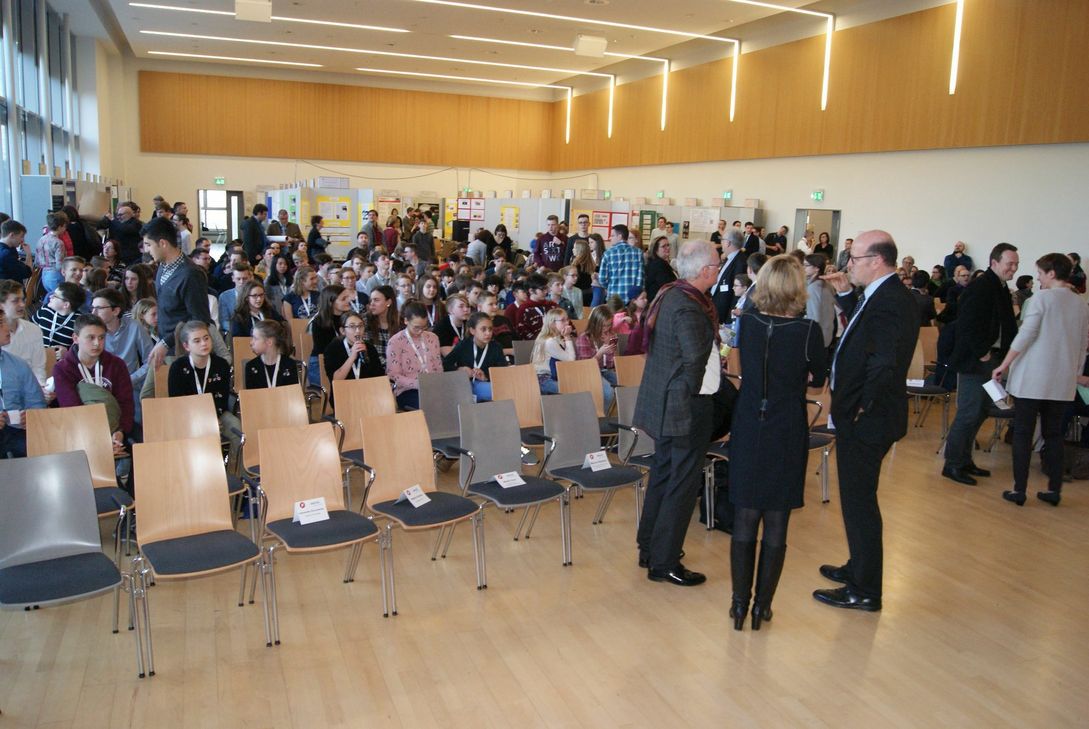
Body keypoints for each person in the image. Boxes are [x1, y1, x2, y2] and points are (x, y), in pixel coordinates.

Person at [813, 230, 919, 612]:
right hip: (865, 415)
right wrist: (844, 295)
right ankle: (858, 566)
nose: (847, 266)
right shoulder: (878, 295)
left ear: (877, 261)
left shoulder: (890, 300)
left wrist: (859, 407)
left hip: (869, 419)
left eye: (854, 259)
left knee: (859, 503)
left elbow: (885, 363)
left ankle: (865, 589)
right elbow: (862, 339)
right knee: (856, 499)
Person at [729, 255, 827, 630]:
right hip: (786, 425)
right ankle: (761, 607)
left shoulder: (748, 324)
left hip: (748, 422)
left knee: (745, 513)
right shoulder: (807, 331)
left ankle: (739, 604)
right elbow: (818, 381)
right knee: (777, 519)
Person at [632, 239, 722, 587]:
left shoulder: (670, 294)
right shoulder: (688, 305)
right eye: (716, 264)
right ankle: (665, 561)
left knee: (664, 475)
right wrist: (702, 392)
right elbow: (694, 359)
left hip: (667, 403)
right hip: (684, 406)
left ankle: (649, 547)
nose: (719, 267)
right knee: (682, 485)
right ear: (704, 271)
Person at [990, 253, 1089, 506]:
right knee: (1053, 435)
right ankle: (1053, 491)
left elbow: (1026, 336)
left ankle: (1019, 490)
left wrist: (1004, 364)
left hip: (1032, 379)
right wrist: (1074, 372)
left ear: (1052, 273)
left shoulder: (1041, 299)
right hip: (1062, 381)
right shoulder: (1081, 304)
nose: (1038, 278)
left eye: (1041, 273)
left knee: (1023, 434)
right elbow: (1082, 345)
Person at [941, 243, 1019, 486]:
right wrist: (983, 352)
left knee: (982, 410)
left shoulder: (1000, 286)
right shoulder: (982, 286)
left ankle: (964, 460)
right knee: (969, 412)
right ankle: (952, 463)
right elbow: (967, 323)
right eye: (1010, 264)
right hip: (975, 360)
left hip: (989, 359)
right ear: (994, 262)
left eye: (1016, 264)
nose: (1014, 268)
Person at [53, 315, 136, 449]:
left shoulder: (117, 365)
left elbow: (126, 403)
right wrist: (99, 440)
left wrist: (120, 432)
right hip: (81, 433)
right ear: (75, 338)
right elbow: (72, 408)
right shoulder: (62, 369)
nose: (97, 343)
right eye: (90, 337)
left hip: (115, 429)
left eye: (102, 337)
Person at [144, 216, 212, 370]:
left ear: (163, 243)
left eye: (149, 244)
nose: (147, 250)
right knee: (148, 393)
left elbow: (200, 319)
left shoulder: (191, 274)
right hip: (165, 346)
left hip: (181, 351)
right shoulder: (162, 267)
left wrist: (166, 342)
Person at [167, 321, 241, 458]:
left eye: (206, 338)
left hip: (217, 414)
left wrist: (213, 419)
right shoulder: (177, 368)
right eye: (197, 341)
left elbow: (222, 399)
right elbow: (178, 404)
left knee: (238, 430)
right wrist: (205, 422)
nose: (203, 343)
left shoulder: (221, 365)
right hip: (188, 419)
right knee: (204, 434)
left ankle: (232, 473)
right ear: (186, 346)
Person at [90, 287, 155, 406]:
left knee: (139, 415)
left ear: (115, 311)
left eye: (99, 308)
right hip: (99, 387)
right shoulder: (89, 331)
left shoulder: (134, 327)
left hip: (130, 383)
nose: (93, 313)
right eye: (92, 307)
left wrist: (130, 380)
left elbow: (151, 360)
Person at [0, 310, 47, 458]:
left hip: (16, 430)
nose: (8, 328)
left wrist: (31, 416)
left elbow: (37, 404)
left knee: (41, 449)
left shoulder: (18, 365)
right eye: (1, 324)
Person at [386, 301, 441, 409]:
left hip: (433, 387)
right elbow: (394, 375)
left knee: (453, 400)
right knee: (430, 405)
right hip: (407, 391)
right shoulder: (395, 342)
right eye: (416, 327)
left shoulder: (433, 338)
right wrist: (418, 384)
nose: (420, 331)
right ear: (406, 320)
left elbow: (438, 367)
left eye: (424, 327)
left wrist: (438, 383)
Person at [323, 311, 384, 394]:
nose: (358, 330)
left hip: (368, 392)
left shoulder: (369, 348)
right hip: (343, 393)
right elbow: (336, 380)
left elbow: (379, 377)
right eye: (352, 326)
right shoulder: (333, 348)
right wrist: (352, 357)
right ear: (342, 331)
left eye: (360, 326)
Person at [307, 285, 353, 385]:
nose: (348, 300)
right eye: (343, 299)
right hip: (321, 362)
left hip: (344, 358)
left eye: (348, 297)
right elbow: (323, 349)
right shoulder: (319, 321)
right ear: (331, 302)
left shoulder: (349, 317)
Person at [243, 320, 300, 390]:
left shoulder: (290, 365)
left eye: (255, 338)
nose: (251, 342)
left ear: (269, 342)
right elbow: (250, 397)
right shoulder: (251, 366)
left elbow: (293, 395)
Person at [599, 224, 644, 304]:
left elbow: (602, 279)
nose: (610, 238)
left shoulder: (608, 253)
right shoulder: (638, 252)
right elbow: (640, 278)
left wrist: (610, 286)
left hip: (614, 299)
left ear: (620, 236)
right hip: (633, 299)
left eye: (612, 235)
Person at [33, 282, 85, 350]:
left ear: (66, 305)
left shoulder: (79, 321)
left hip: (61, 359)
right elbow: (31, 328)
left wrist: (66, 353)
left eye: (55, 296)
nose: (50, 297)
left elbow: (80, 348)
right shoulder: (45, 309)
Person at [711, 228, 747, 324]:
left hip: (724, 316)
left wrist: (729, 320)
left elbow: (737, 294)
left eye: (722, 240)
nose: (721, 243)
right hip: (716, 309)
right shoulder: (730, 258)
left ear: (728, 243)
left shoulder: (740, 262)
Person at [363, 285, 401, 368]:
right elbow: (368, 353)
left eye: (376, 300)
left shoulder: (401, 321)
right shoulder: (364, 321)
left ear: (388, 302)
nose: (372, 304)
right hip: (375, 371)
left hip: (399, 370)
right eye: (371, 300)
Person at [35, 211, 69, 295]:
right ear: (60, 226)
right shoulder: (58, 242)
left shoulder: (41, 239)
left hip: (44, 274)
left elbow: (37, 260)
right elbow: (59, 264)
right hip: (55, 274)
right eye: (64, 226)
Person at [644, 236, 677, 302]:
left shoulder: (659, 262)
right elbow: (667, 285)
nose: (667, 248)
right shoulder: (658, 264)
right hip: (658, 302)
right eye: (663, 246)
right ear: (656, 250)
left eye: (668, 245)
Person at [0, 219, 32, 284]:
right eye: (21, 236)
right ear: (12, 235)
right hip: (11, 291)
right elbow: (27, 273)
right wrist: (28, 254)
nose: (23, 240)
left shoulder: (9, 250)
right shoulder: (7, 255)